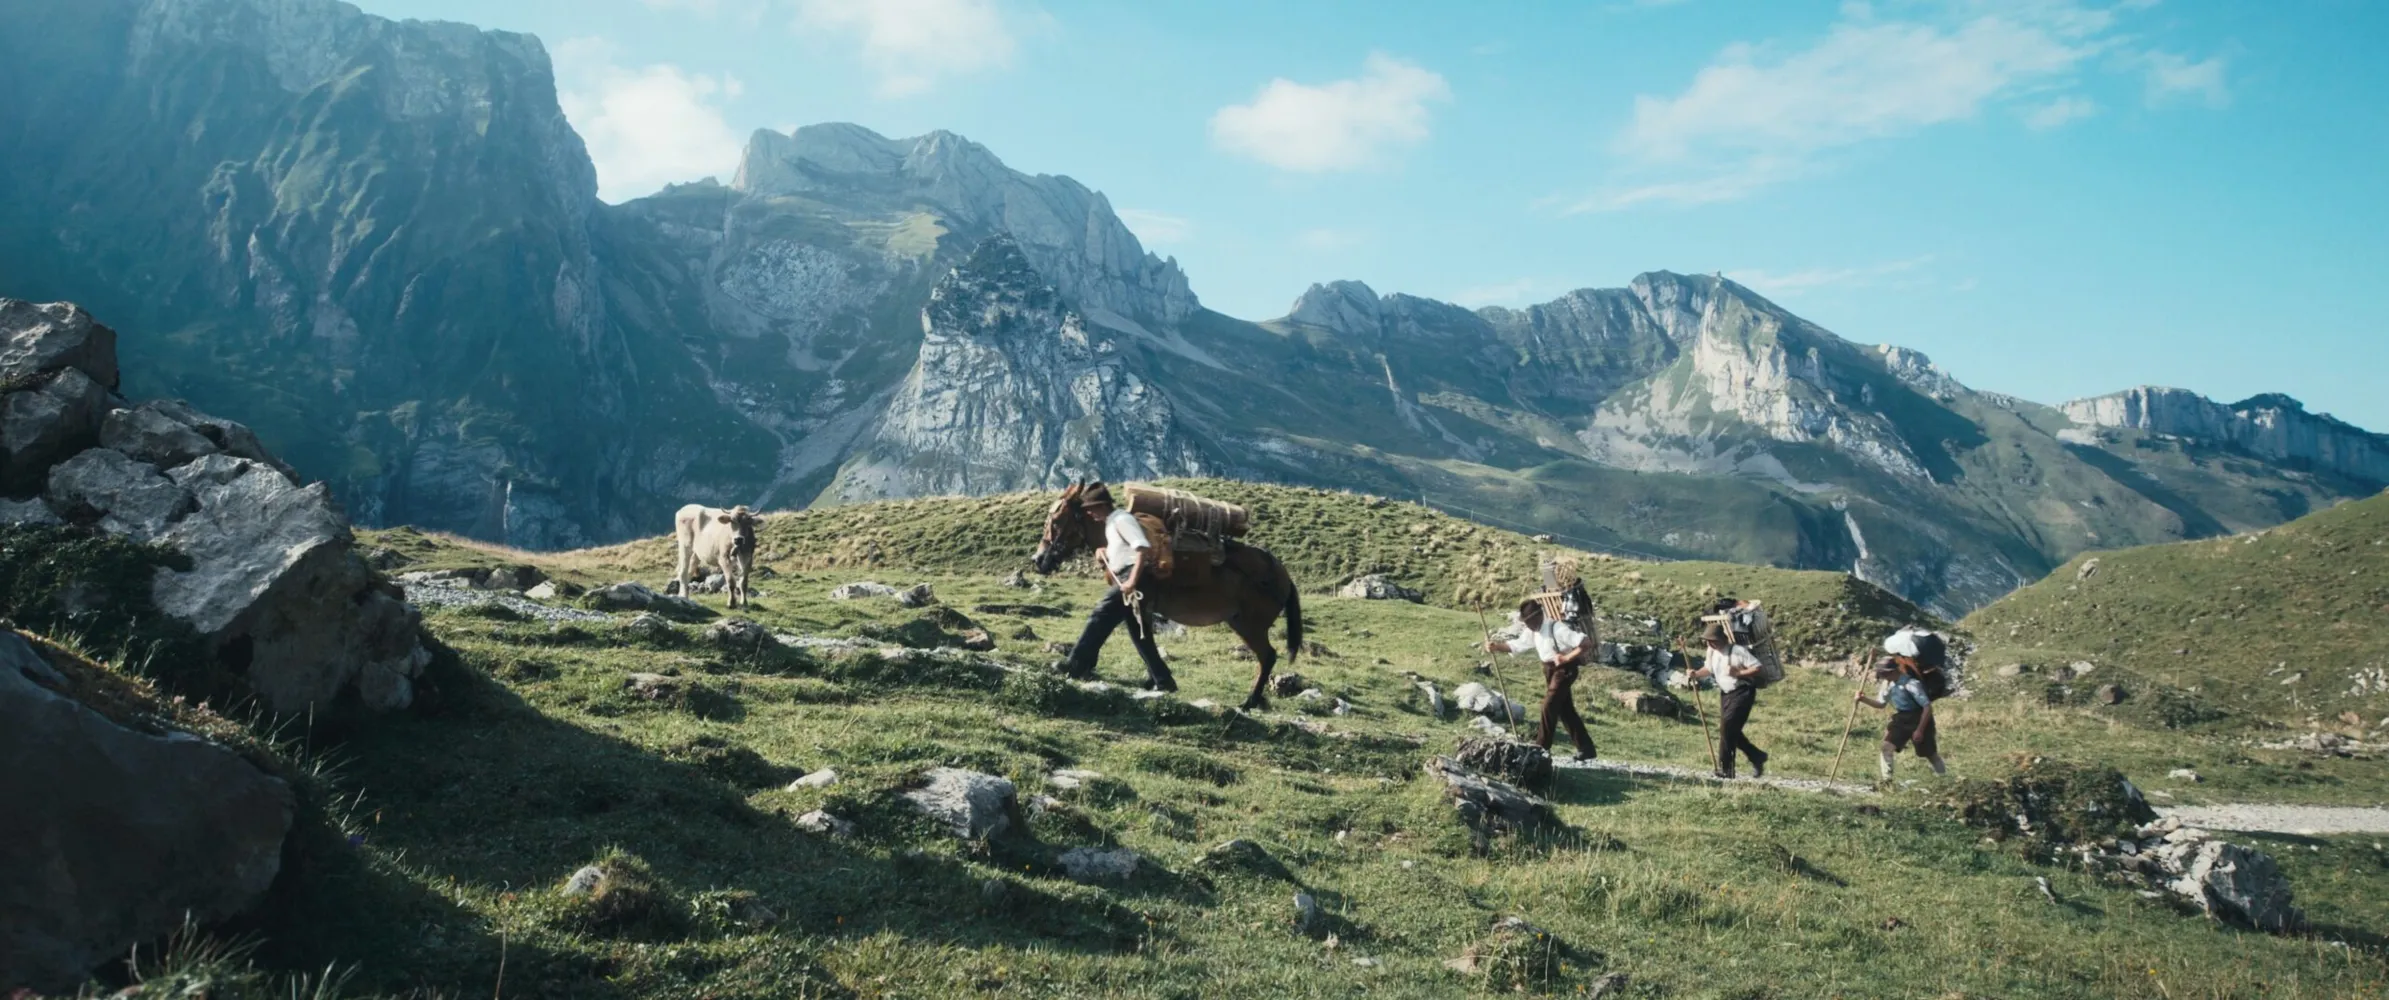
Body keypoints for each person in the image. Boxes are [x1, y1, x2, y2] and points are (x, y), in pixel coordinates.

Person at [1059, 483, 1177, 692]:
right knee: (1139, 633)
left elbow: (1141, 548)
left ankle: (1075, 665)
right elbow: (1124, 550)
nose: (1089, 513)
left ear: (1103, 505)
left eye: (1091, 508)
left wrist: (1132, 581)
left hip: (1133, 578)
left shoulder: (1122, 519)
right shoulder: (1112, 522)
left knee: (1100, 615)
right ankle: (1163, 681)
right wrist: (1104, 552)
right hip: (1128, 577)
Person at [1485, 597, 1597, 760]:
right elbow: (1516, 646)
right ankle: (1587, 750)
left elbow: (1585, 642)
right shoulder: (1532, 631)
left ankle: (1540, 747)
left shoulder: (1557, 628)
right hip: (1549, 670)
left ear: (1539, 615)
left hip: (1564, 670)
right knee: (1565, 710)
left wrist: (1566, 658)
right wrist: (1496, 647)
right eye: (1525, 622)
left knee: (1548, 705)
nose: (1527, 625)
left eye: (1529, 621)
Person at [1689, 622, 1768, 779]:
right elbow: (1709, 669)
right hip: (1726, 694)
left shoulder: (1737, 651)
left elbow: (1757, 667)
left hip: (1743, 692)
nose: (1711, 643)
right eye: (1708, 641)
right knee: (1730, 731)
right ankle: (1757, 755)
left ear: (1722, 639)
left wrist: (1738, 673)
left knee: (1727, 728)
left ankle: (1727, 769)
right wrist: (1695, 674)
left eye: (1714, 640)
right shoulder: (1712, 652)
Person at [1855, 657, 1947, 779]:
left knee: (1929, 753)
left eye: (1883, 674)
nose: (1882, 677)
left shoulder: (1911, 684)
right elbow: (1881, 704)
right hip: (1902, 719)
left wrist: (1919, 730)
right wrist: (1863, 699)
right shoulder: (1887, 685)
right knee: (1886, 748)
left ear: (1892, 671)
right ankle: (1887, 781)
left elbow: (1927, 707)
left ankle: (1943, 778)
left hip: (1920, 718)